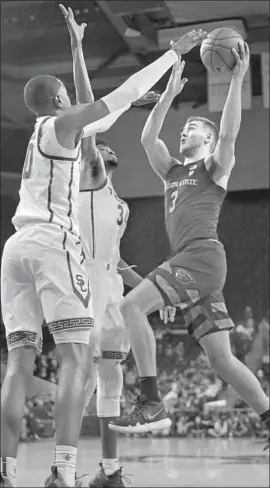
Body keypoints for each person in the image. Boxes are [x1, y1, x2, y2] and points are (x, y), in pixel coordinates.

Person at [0, 5, 195, 487]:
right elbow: (115, 99)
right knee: (77, 362)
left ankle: (6, 471)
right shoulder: (63, 129)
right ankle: (64, 471)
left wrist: (75, 48)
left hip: (17, 248)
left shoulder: (45, 135)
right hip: (53, 246)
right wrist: (170, 57)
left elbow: (93, 108)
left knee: (21, 361)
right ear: (60, 99)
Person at [109, 41, 270, 446]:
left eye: (193, 127)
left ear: (209, 139)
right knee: (221, 359)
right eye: (184, 128)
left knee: (131, 305)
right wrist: (166, 97)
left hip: (201, 256)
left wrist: (237, 78)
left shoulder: (215, 166)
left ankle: (151, 401)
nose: (185, 130)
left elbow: (231, 130)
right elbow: (149, 139)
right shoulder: (172, 171)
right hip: (192, 262)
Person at [61, 8, 175, 486]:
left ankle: (109, 471)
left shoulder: (117, 202)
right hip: (83, 283)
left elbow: (118, 261)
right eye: (97, 148)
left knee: (111, 382)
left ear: (114, 163)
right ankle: (62, 466)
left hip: (109, 281)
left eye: (106, 152)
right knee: (82, 379)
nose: (101, 151)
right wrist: (78, 49)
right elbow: (90, 106)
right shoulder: (86, 178)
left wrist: (152, 290)